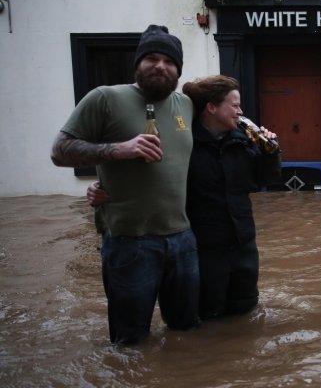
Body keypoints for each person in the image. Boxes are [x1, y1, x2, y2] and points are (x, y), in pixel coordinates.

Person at [51, 24, 199, 344]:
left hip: (182, 239)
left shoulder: (185, 105)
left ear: (178, 70)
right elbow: (59, 151)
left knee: (186, 334)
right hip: (130, 243)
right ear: (138, 64)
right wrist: (120, 149)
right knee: (130, 343)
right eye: (152, 58)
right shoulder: (105, 98)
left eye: (169, 61)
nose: (160, 66)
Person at [88, 75, 281, 321]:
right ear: (211, 107)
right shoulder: (184, 143)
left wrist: (271, 153)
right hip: (204, 248)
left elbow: (264, 180)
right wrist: (102, 188)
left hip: (243, 244)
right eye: (234, 105)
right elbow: (153, 178)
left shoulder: (243, 140)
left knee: (245, 313)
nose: (240, 111)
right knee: (207, 316)